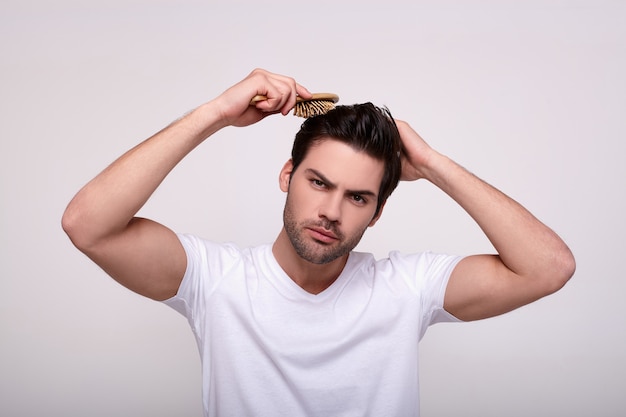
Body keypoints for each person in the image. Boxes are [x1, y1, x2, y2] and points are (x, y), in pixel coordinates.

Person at [62, 68, 576, 416]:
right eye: (319, 182)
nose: (331, 211)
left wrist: (435, 165)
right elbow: (87, 224)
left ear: (377, 213)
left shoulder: (405, 289)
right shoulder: (215, 281)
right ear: (287, 175)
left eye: (357, 197)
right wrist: (217, 111)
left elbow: (548, 267)